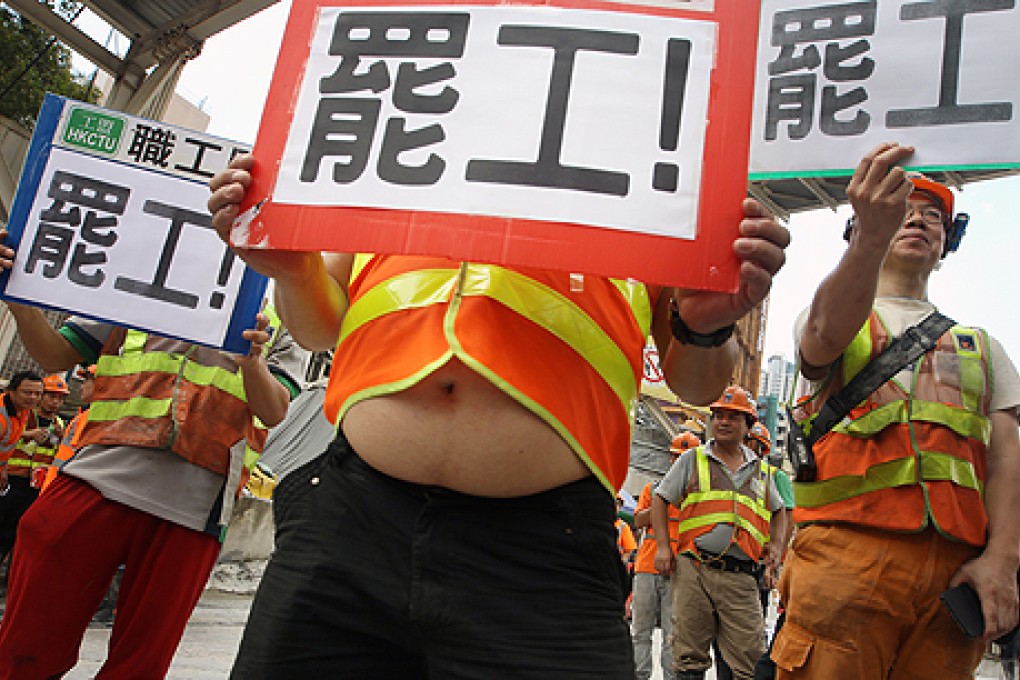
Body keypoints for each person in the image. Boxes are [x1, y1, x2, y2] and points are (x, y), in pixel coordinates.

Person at [207, 152, 790, 676]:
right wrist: (291, 269)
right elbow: (318, 327)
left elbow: (697, 380)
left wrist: (708, 326)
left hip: (541, 558)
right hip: (351, 526)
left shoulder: (655, 175)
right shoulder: (394, 150)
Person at [771, 142, 1020, 679]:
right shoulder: (829, 314)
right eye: (904, 213)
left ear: (946, 242)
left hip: (954, 579)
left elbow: (1003, 462)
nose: (919, 222)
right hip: (844, 558)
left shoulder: (982, 346)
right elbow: (822, 337)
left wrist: (1003, 560)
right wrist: (870, 235)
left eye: (933, 217)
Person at [0, 295, 305, 678]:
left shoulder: (284, 312)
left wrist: (252, 363)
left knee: (139, 667)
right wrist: (21, 302)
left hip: (193, 510)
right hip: (95, 478)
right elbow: (55, 354)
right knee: (25, 649)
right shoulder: (142, 278)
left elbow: (274, 409)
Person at [651, 386, 785, 680]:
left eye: (733, 417)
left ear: (748, 426)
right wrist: (663, 547)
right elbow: (660, 499)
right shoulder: (693, 459)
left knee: (750, 659)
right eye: (719, 416)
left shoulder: (761, 470)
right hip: (694, 569)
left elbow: (779, 510)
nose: (723, 422)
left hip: (741, 577)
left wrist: (776, 546)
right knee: (689, 656)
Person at [633, 430, 700, 680]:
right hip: (647, 567)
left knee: (674, 634)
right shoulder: (654, 489)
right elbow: (639, 519)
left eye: (682, 458)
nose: (676, 463)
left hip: (679, 572)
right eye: (674, 457)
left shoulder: (698, 498)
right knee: (641, 631)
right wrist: (663, 500)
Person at [0, 370, 44, 572]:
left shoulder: (23, 412)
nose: (33, 398)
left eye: (37, 394)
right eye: (27, 392)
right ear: (12, 391)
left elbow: (8, 440)